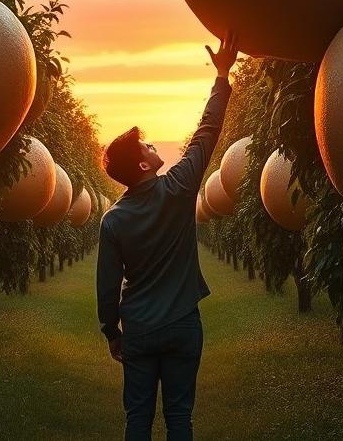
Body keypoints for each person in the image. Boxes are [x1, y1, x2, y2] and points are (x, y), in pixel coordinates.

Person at [96, 31, 239, 441]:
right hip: (181, 325)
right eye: (147, 145)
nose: (154, 146)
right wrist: (222, 76)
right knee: (180, 418)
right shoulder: (179, 189)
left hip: (139, 329)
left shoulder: (113, 220)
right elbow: (207, 132)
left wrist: (112, 333)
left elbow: (108, 289)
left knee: (137, 419)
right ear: (143, 166)